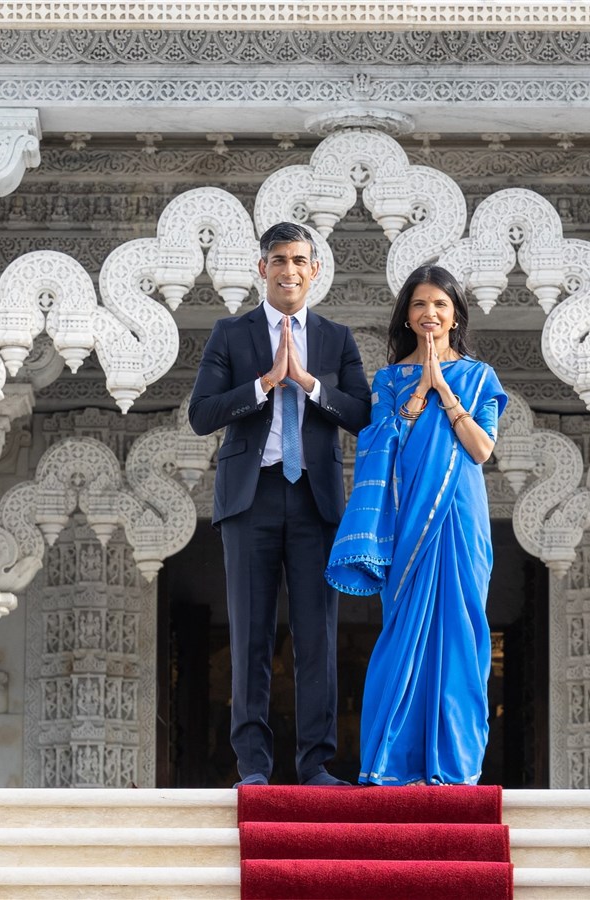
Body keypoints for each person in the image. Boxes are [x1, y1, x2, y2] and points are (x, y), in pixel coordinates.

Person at [189, 222, 371, 787]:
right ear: (261, 268)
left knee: (317, 632)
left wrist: (311, 386)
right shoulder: (230, 333)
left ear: (314, 270)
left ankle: (316, 764)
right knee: (251, 633)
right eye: (278, 260)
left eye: (299, 260)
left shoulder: (337, 338)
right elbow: (202, 414)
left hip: (315, 500)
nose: (288, 270)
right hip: (251, 497)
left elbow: (361, 413)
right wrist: (266, 383)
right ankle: (254, 768)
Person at [326, 264, 507, 786]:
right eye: (420, 304)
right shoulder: (387, 381)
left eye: (440, 305)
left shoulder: (477, 377)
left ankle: (454, 767)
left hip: (461, 516)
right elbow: (379, 446)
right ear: (407, 316)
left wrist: (443, 390)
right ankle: (393, 763)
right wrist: (417, 392)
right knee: (403, 630)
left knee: (462, 630)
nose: (430, 314)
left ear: (455, 317)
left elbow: (480, 449)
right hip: (410, 519)